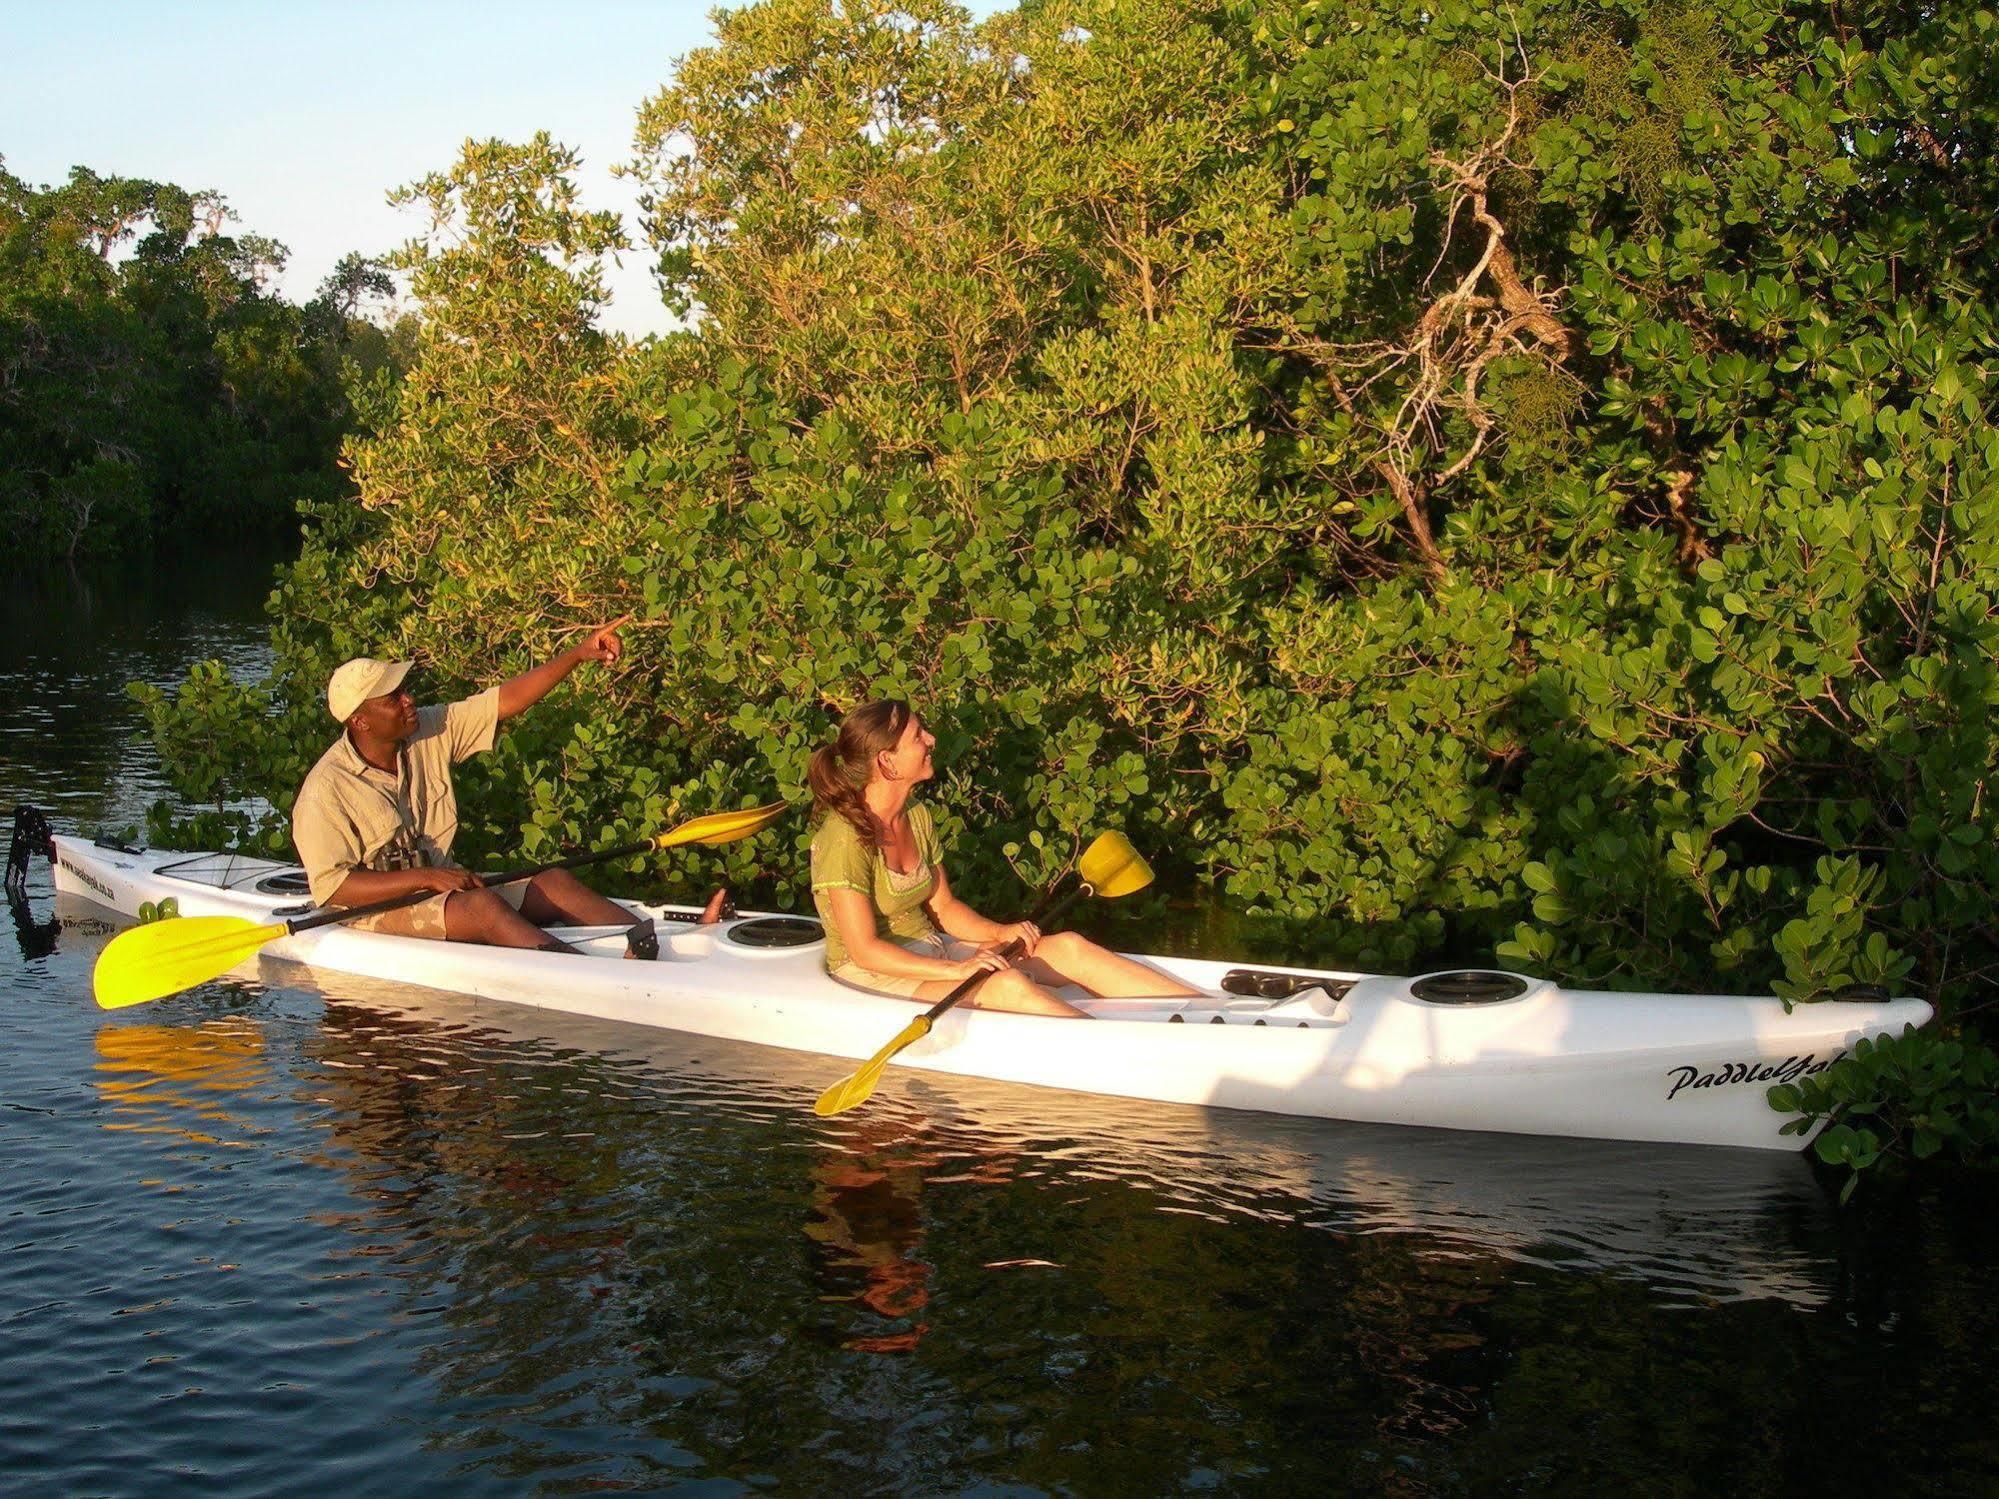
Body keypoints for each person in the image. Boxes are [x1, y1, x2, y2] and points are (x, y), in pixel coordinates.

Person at [292, 618, 713, 956]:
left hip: (440, 888)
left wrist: (578, 653)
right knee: (482, 907)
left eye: (403, 691)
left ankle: (665, 946)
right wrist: (427, 877)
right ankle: (586, 975)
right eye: (393, 699)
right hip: (367, 915)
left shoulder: (428, 730)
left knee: (552, 882)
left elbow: (505, 701)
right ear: (361, 722)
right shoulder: (325, 790)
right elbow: (334, 887)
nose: (408, 701)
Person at [806, 699, 1205, 1017]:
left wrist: (1001, 933)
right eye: (917, 736)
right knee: (1010, 984)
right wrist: (958, 969)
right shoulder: (844, 837)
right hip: (874, 973)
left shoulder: (917, 817)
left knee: (1068, 946)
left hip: (932, 948)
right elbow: (864, 950)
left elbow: (944, 907)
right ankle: (1131, 1053)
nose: (931, 739)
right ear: (887, 761)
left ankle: (1211, 1013)